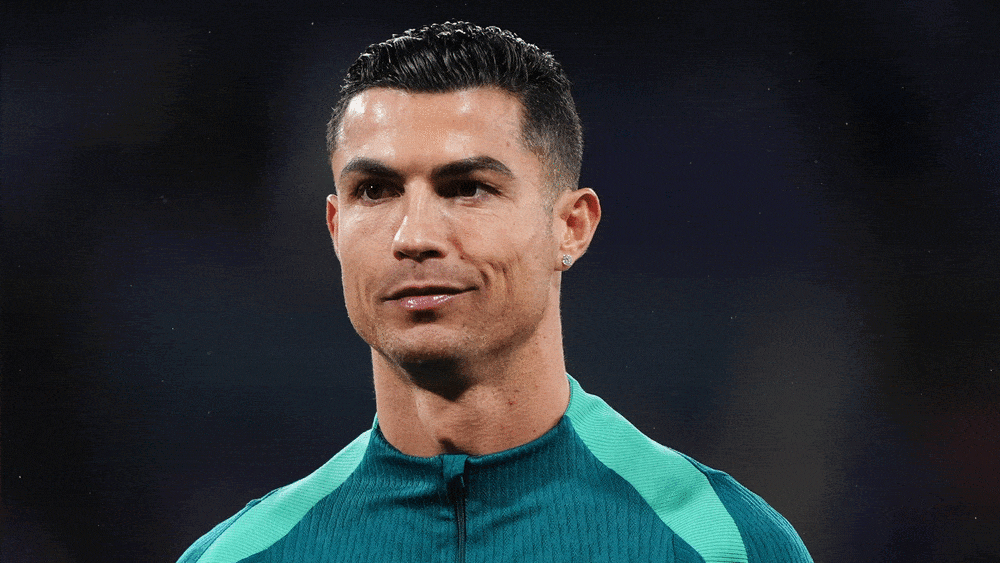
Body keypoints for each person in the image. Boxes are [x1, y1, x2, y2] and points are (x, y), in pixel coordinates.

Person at [177, 21, 813, 563]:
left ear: (571, 227)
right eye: (375, 190)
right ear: (335, 228)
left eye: (467, 188)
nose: (413, 236)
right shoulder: (240, 555)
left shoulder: (722, 544)